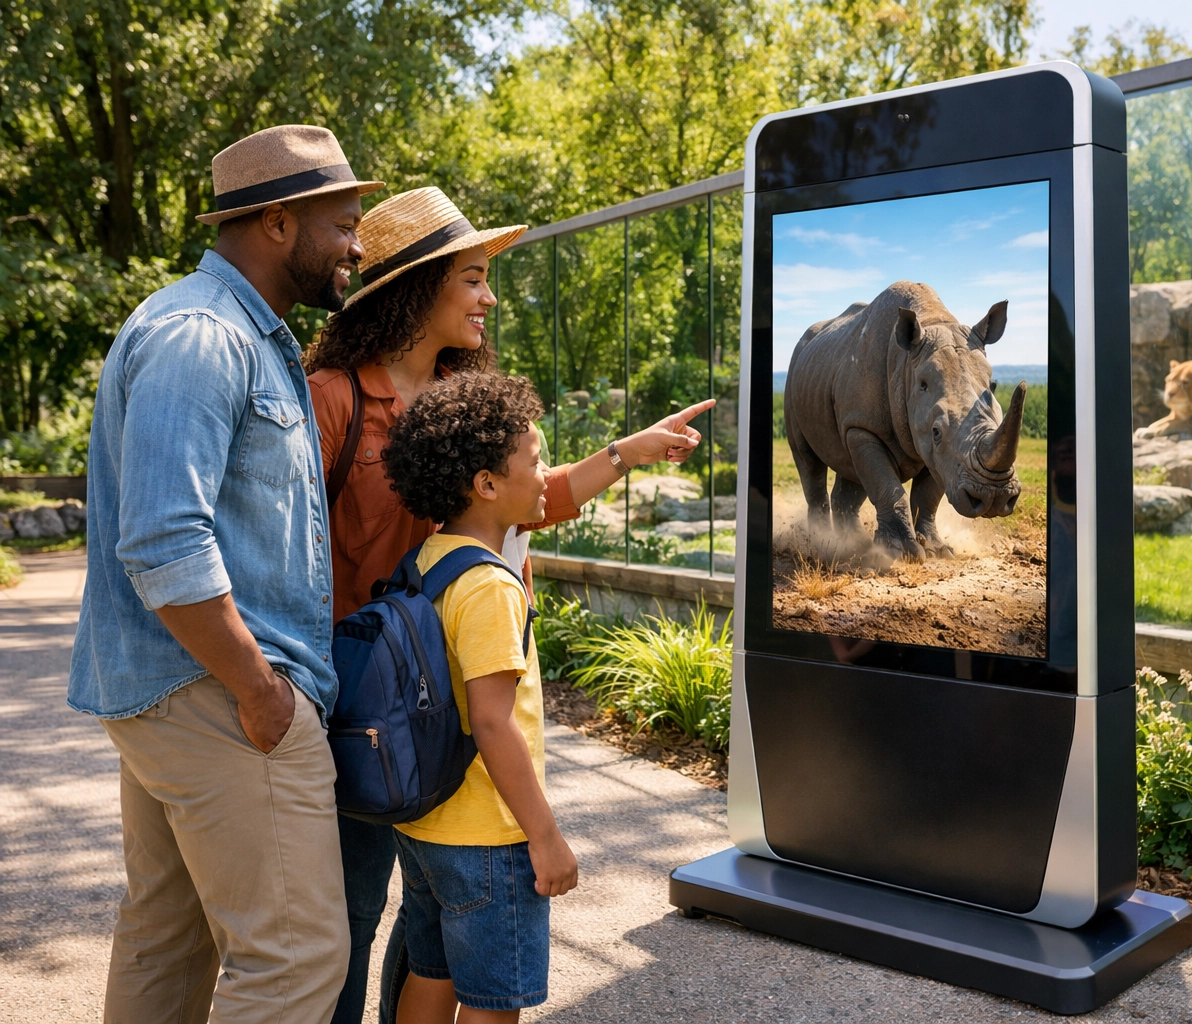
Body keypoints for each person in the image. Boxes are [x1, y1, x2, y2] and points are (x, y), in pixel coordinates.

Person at [303, 186, 714, 1023]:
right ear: (417, 288)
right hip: (367, 700)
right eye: (473, 278)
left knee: (429, 919)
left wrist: (628, 452)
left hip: (456, 701)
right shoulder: (331, 400)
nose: (488, 297)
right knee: (349, 911)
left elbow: (527, 501)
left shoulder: (462, 398)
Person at [68, 125, 384, 1023]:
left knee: (168, 944)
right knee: (297, 958)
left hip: (179, 692)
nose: (357, 247)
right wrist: (258, 688)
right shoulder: (204, 335)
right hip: (220, 697)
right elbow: (164, 539)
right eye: (343, 224)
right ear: (278, 222)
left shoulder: (228, 330)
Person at [384, 372, 572, 1022]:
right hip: (488, 836)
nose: (546, 475)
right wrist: (545, 837)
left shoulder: (428, 560)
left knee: (431, 974)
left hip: (426, 823)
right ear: (487, 484)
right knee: (494, 1002)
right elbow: (493, 723)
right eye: (536, 460)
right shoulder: (490, 586)